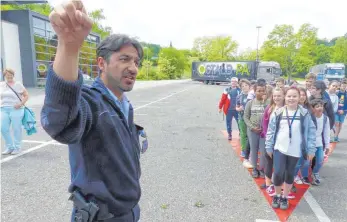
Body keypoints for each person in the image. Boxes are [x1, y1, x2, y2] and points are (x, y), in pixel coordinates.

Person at [41, 1, 145, 221]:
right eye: (124, 59)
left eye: (136, 61)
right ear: (101, 63)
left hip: (129, 212)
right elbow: (60, 121)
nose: (133, 68)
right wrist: (69, 47)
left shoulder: (124, 105)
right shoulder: (92, 102)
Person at [265, 86, 316, 210]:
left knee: (289, 173)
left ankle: (285, 197)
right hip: (279, 148)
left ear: (299, 98)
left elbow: (311, 132)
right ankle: (277, 195)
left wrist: (311, 149)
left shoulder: (304, 113)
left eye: (294, 96)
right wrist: (268, 147)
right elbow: (271, 131)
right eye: (289, 96)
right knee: (277, 173)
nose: (291, 98)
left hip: (295, 150)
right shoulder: (278, 112)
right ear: (285, 97)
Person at [260, 87, 285, 196]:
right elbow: (265, 124)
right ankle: (267, 182)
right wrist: (267, 137)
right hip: (270, 140)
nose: (276, 98)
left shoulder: (286, 109)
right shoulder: (270, 108)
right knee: (268, 161)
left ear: (283, 96)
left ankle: (279, 182)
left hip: (282, 141)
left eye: (279, 96)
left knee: (280, 163)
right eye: (275, 96)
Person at [1, 68, 29, 155]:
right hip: (3, 109)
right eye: (7, 74)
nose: (9, 76)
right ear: (4, 76)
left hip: (16, 109)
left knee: (16, 128)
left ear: (13, 75)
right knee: (3, 128)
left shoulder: (18, 84)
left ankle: (17, 147)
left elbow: (26, 95)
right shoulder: (1, 85)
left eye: (10, 74)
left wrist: (20, 104)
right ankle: (10, 147)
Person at [243, 81, 268, 178]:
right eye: (258, 91)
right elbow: (246, 116)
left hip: (263, 132)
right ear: (254, 91)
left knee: (263, 151)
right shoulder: (250, 103)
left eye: (263, 91)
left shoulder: (268, 103)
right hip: (253, 131)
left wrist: (264, 103)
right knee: (254, 150)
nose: (261, 93)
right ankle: (254, 168)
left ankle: (261, 168)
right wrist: (252, 127)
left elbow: (269, 114)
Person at [236, 79, 251, 160]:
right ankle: (244, 150)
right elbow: (236, 107)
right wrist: (239, 109)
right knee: (243, 134)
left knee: (251, 136)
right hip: (242, 118)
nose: (244, 87)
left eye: (246, 85)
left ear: (249, 86)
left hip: (251, 119)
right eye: (242, 86)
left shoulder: (253, 96)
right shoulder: (239, 96)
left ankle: (251, 151)